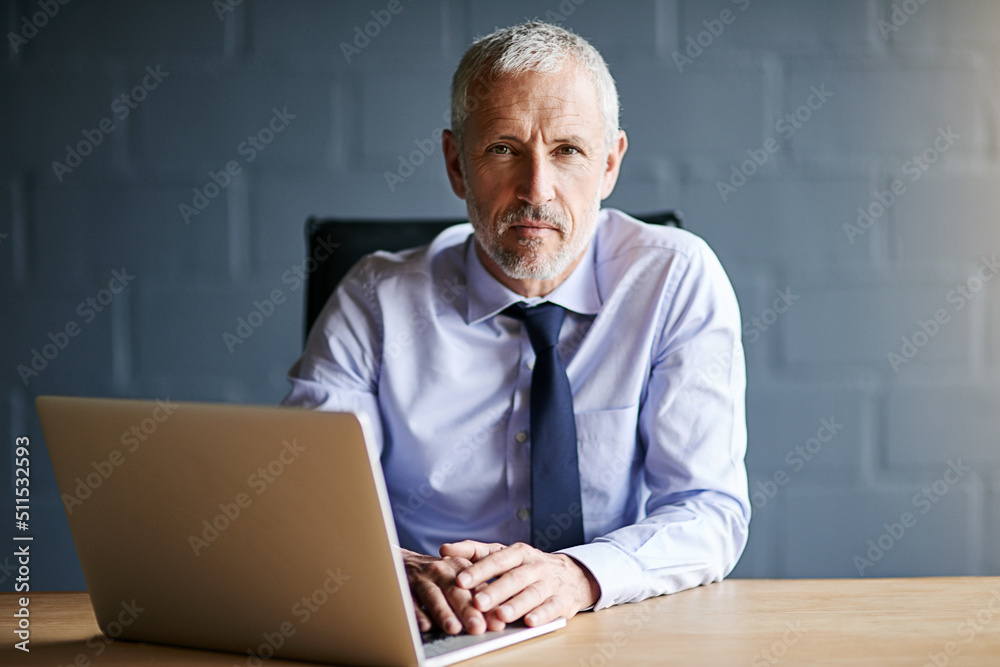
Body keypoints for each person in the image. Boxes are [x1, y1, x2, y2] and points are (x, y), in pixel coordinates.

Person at [283, 21, 749, 636]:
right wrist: (400, 571)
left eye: (568, 151)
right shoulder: (376, 298)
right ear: (456, 164)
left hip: (607, 624)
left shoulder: (675, 278)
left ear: (609, 165)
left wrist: (576, 576)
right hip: (428, 626)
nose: (537, 189)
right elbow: (306, 504)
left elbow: (707, 510)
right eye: (503, 148)